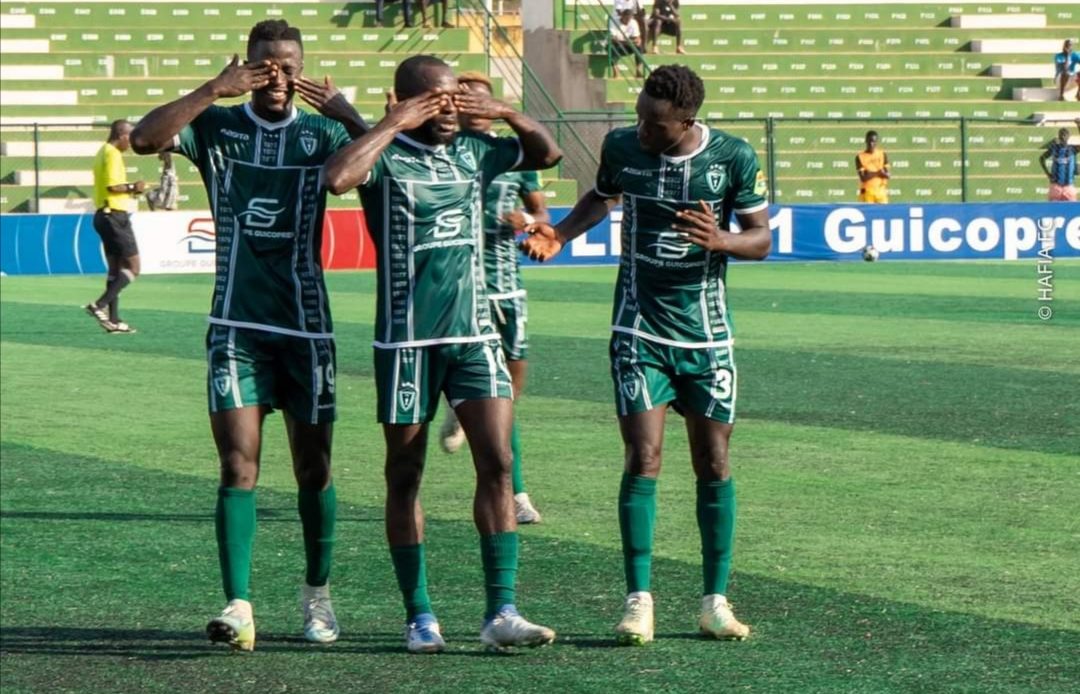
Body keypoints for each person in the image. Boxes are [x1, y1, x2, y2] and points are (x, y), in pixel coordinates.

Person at [130, 19, 369, 652]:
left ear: (302, 68)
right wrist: (215, 87)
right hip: (235, 326)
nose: (277, 78)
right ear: (249, 67)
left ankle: (317, 594)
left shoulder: (320, 133)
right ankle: (238, 605)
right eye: (265, 66)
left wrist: (347, 113)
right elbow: (144, 138)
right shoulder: (217, 125)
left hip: (305, 327)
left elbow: (385, 165)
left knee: (313, 470)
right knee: (238, 467)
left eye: (288, 66)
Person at [520, 64, 770, 646]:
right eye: (638, 116)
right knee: (644, 456)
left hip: (707, 335)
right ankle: (639, 601)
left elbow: (761, 238)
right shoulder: (623, 147)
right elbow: (599, 198)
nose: (642, 129)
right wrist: (558, 233)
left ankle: (714, 602)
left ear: (685, 121)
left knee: (713, 462)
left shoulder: (731, 157)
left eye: (654, 124)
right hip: (638, 327)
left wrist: (722, 240)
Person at [323, 55, 562, 654]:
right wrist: (390, 123)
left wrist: (506, 111)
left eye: (455, 96)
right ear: (405, 100)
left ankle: (501, 610)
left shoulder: (476, 152)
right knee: (405, 475)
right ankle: (419, 614)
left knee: (499, 464)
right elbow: (337, 179)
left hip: (473, 334)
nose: (450, 107)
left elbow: (548, 154)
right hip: (405, 340)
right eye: (436, 99)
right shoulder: (384, 156)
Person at [437, 71, 549, 525]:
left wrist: (529, 220)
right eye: (469, 103)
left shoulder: (515, 155)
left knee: (511, 395)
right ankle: (517, 495)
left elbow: (541, 213)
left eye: (485, 103)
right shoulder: (445, 152)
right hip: (461, 289)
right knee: (493, 394)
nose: (477, 110)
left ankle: (469, 426)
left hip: (508, 284)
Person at [84, 119, 145, 334]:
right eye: (130, 137)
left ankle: (114, 320)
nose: (131, 143)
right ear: (122, 135)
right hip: (114, 216)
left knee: (115, 269)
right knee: (134, 267)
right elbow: (114, 186)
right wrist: (133, 187)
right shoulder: (113, 154)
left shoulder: (102, 151)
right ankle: (99, 305)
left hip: (103, 215)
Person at [1040, 121, 1080, 201]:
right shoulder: (1054, 148)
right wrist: (1048, 174)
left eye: (1065, 135)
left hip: (1068, 187)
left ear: (1068, 137)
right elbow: (1042, 158)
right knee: (1053, 212)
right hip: (1055, 186)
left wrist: (1079, 126)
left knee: (1072, 211)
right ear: (1058, 136)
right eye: (1061, 134)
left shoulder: (1072, 149)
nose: (1063, 136)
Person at [855, 130, 890, 204]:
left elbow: (887, 175)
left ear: (877, 142)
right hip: (867, 191)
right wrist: (879, 173)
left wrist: (870, 173)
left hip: (881, 191)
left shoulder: (882, 154)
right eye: (869, 141)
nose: (871, 144)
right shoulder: (860, 157)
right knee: (869, 214)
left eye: (874, 141)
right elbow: (863, 178)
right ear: (866, 141)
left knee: (884, 213)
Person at [609, 8, 645, 78]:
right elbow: (613, 39)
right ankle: (615, 71)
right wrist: (630, 41)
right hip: (616, 44)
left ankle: (638, 70)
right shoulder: (613, 21)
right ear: (622, 16)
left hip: (626, 44)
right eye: (626, 18)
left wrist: (637, 41)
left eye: (629, 19)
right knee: (612, 47)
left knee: (639, 47)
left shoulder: (633, 22)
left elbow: (637, 38)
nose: (628, 21)